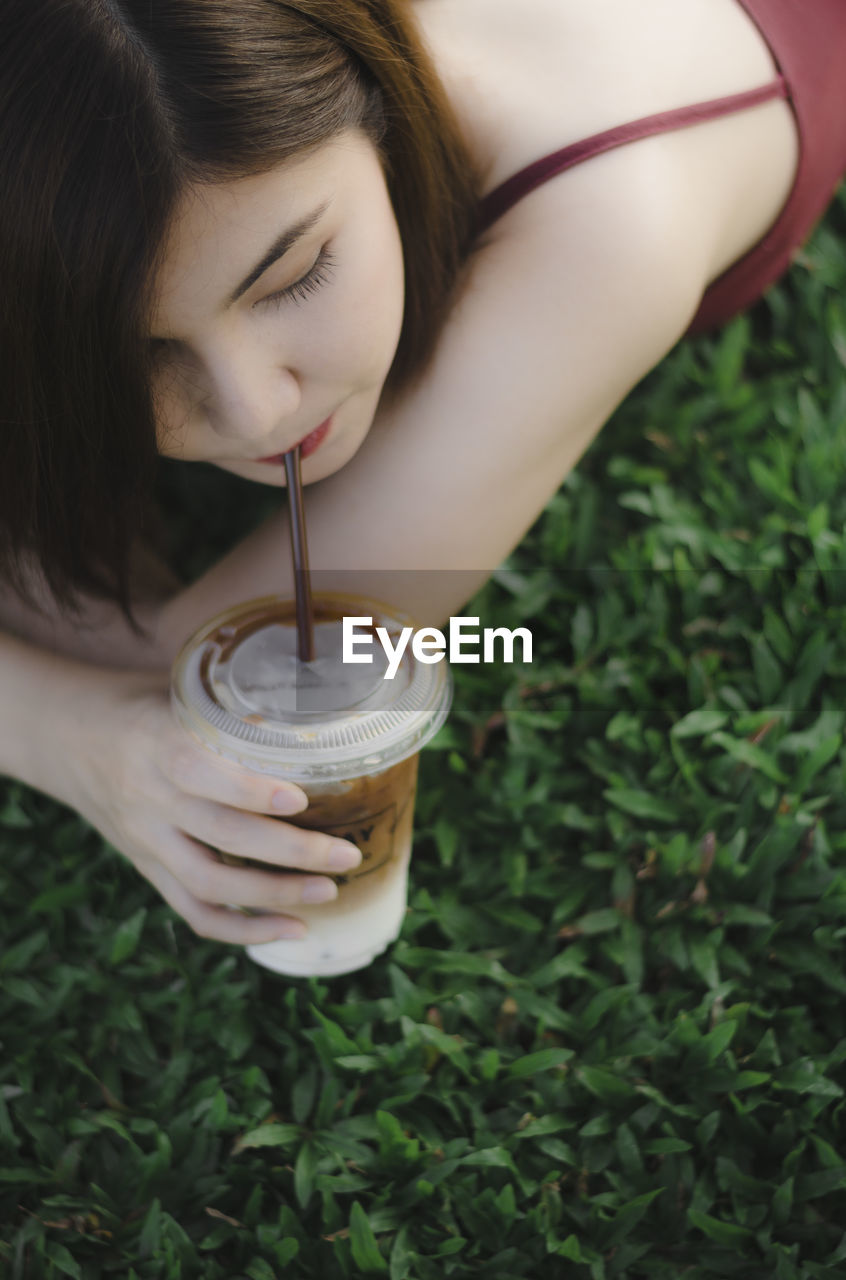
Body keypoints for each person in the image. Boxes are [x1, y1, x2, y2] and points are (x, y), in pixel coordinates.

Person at [1, 0, 845, 946]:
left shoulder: (612, 224)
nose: (255, 410)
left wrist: (54, 726)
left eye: (297, 276)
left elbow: (191, 660)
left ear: (380, 113)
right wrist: (71, 747)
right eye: (141, 354)